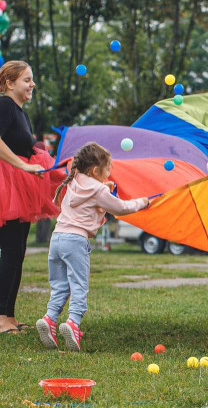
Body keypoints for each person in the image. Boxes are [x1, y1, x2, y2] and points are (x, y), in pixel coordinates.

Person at [0, 60, 63, 335]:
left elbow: (33, 150)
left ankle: (10, 316)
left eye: (32, 80)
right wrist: (24, 166)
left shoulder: (21, 114)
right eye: (27, 80)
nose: (32, 85)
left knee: (18, 252)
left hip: (17, 182)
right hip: (1, 182)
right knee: (10, 251)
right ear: (9, 83)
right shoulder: (2, 106)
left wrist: (60, 167)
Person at [36, 143, 149, 351]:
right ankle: (73, 323)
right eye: (108, 170)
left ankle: (50, 319)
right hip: (76, 240)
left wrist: (104, 189)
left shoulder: (74, 181)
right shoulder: (97, 189)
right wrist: (142, 202)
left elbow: (89, 195)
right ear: (96, 170)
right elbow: (121, 208)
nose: (109, 174)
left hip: (57, 238)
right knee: (79, 285)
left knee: (60, 285)